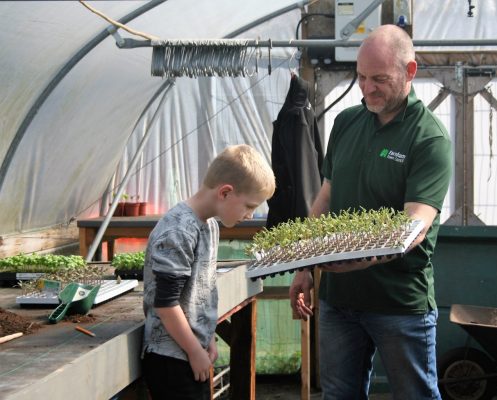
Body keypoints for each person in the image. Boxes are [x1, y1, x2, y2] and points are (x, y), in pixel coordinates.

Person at [289, 24, 452, 400]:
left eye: (379, 79)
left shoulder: (428, 138)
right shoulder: (347, 122)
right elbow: (326, 197)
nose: (366, 88)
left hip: (399, 304)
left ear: (410, 71)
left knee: (416, 395)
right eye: (360, 77)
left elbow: (416, 223)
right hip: (338, 301)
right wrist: (304, 266)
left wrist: (359, 259)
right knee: (338, 395)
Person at [142, 144, 276, 400]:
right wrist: (194, 351)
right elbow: (166, 305)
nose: (249, 216)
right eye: (249, 206)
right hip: (170, 357)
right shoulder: (179, 230)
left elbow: (200, 293)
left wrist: (206, 337)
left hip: (190, 351)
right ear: (225, 192)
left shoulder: (209, 226)